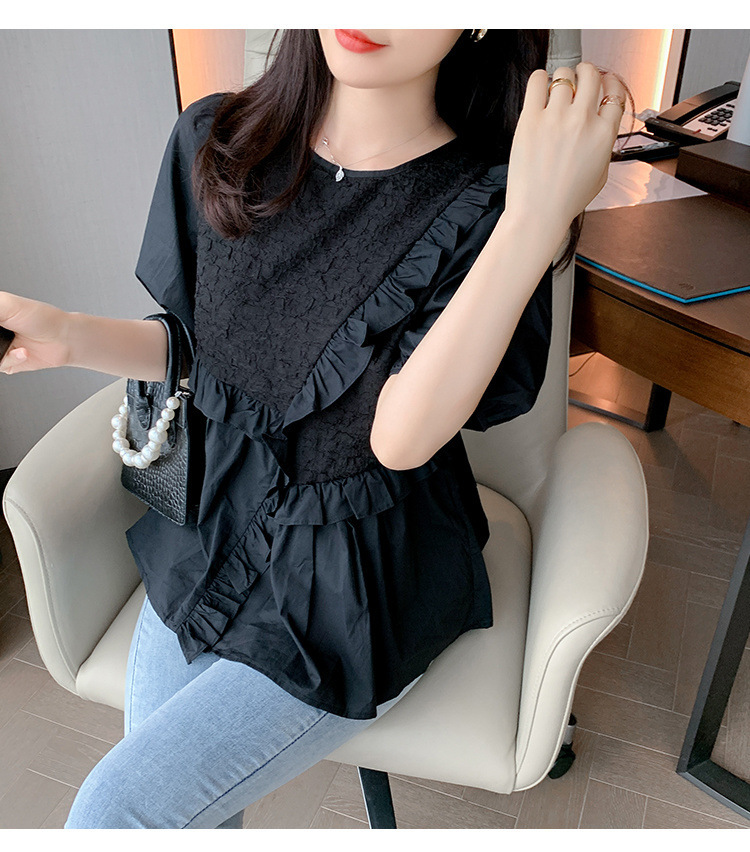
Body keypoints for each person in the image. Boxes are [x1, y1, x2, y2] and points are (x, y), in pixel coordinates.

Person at [0, 29, 626, 829]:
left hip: (355, 582)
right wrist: (68, 335)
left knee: (116, 810)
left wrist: (535, 219)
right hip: (214, 528)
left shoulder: (489, 205)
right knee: (174, 812)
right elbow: (204, 354)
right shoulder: (219, 138)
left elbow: (398, 439)